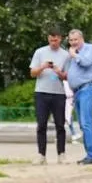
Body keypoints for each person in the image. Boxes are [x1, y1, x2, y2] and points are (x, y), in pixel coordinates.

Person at [28, 27, 70, 163]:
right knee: (41, 125)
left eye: (56, 40)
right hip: (41, 92)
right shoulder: (40, 52)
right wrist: (43, 67)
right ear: (48, 39)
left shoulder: (66, 55)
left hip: (58, 93)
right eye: (51, 40)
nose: (53, 42)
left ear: (60, 39)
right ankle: (41, 155)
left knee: (60, 125)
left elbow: (67, 76)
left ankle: (61, 154)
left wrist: (58, 71)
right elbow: (32, 73)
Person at [67, 29, 92, 165]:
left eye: (76, 39)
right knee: (82, 124)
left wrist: (75, 55)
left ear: (81, 38)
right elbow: (71, 72)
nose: (73, 42)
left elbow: (86, 62)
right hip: (77, 92)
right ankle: (89, 155)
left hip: (88, 88)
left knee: (86, 122)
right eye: (71, 40)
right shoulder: (73, 54)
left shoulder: (90, 49)